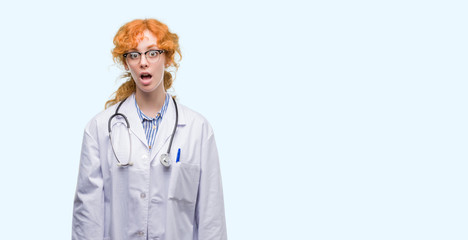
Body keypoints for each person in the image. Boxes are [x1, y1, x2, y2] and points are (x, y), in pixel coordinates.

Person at [72, 18, 227, 240]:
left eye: (152, 53)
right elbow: (87, 219)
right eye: (134, 54)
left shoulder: (198, 129)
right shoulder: (99, 129)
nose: (143, 62)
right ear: (126, 63)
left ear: (168, 57)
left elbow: (212, 218)